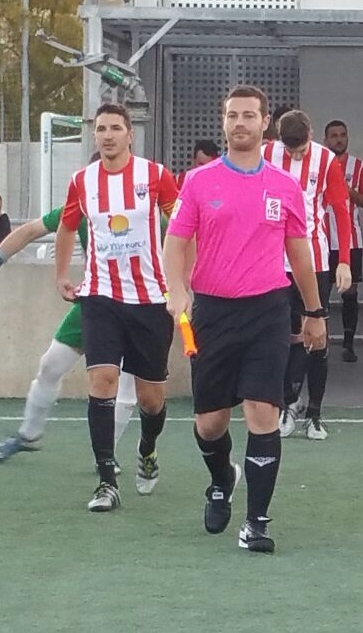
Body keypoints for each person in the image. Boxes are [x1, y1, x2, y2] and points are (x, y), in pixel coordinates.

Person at [163, 84, 327, 553]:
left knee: (262, 413)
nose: (240, 123)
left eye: (249, 115)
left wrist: (314, 311)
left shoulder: (284, 186)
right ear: (224, 122)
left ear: (264, 122)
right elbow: (176, 242)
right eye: (233, 115)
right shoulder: (198, 181)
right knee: (210, 425)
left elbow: (299, 250)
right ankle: (221, 480)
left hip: (268, 311)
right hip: (213, 311)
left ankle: (257, 522)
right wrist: (178, 289)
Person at [54, 102, 178, 512]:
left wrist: (181, 282)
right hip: (100, 296)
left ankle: (147, 448)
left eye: (115, 128)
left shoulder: (155, 176)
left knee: (151, 400)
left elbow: (182, 226)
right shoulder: (81, 181)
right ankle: (106, 480)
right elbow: (67, 226)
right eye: (101, 129)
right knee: (102, 379)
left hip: (151, 301)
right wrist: (61, 275)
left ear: (129, 134)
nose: (107, 135)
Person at [0, 208, 138, 464]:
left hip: (141, 306)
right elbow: (31, 230)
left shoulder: (147, 211)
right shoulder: (83, 205)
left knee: (128, 384)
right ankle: (28, 435)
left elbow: (183, 240)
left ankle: (108, 456)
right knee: (51, 364)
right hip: (94, 304)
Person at [263, 110, 351, 441]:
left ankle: (314, 413)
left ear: (311, 135)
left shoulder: (326, 160)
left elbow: (341, 209)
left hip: (313, 260)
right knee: (282, 337)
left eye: (300, 149)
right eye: (290, 149)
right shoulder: (265, 153)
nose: (295, 155)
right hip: (272, 261)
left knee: (317, 336)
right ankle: (287, 403)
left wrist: (343, 260)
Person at [324, 119, 363, 363]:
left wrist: (348, 192)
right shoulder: (318, 164)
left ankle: (348, 343)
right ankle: (319, 343)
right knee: (320, 292)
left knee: (350, 291)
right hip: (322, 239)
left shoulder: (360, 167)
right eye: (333, 135)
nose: (338, 139)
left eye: (342, 135)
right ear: (326, 140)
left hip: (351, 240)